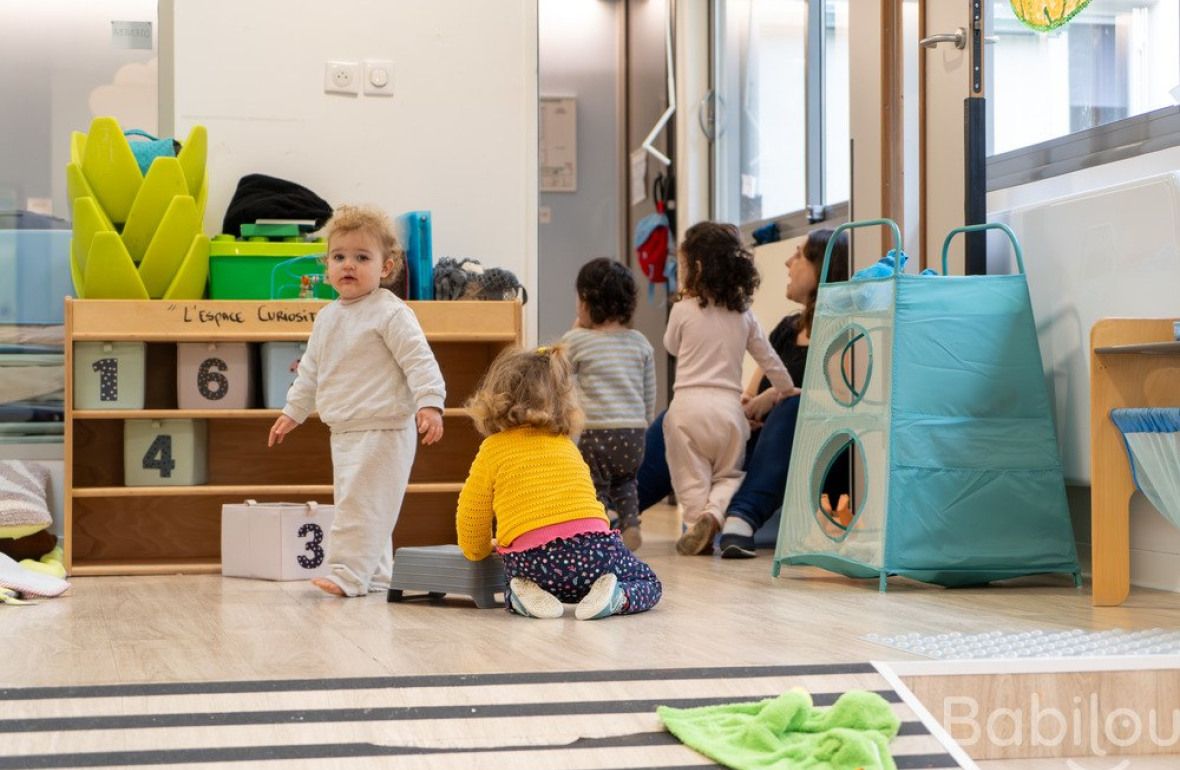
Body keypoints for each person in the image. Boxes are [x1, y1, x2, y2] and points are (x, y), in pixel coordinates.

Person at [638, 228, 850, 558]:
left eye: (798, 255)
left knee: (793, 405)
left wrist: (774, 399)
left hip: (802, 447)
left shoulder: (844, 332)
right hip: (748, 436)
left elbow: (842, 402)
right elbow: (749, 393)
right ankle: (615, 511)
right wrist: (747, 408)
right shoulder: (786, 330)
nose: (788, 262)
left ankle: (741, 519)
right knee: (677, 417)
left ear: (822, 267)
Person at [268, 205, 446, 597]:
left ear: (386, 267)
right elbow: (310, 371)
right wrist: (293, 411)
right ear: (326, 265)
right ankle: (377, 576)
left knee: (360, 507)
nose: (348, 265)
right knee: (364, 504)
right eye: (339, 257)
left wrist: (429, 403)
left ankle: (347, 573)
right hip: (344, 430)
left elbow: (419, 360)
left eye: (362, 257)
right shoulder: (327, 318)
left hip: (384, 428)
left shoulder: (390, 313)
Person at [456, 346, 662, 620]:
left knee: (516, 578)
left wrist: (479, 550)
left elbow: (472, 515)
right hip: (595, 554)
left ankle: (521, 595)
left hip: (531, 562)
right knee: (649, 582)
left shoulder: (493, 448)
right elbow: (587, 504)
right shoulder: (566, 445)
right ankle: (614, 597)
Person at [663, 221, 797, 557]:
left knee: (690, 476)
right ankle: (714, 513)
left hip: (686, 410)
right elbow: (769, 359)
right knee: (729, 475)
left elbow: (671, 346)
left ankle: (696, 521)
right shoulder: (744, 315)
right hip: (728, 412)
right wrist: (785, 389)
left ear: (695, 268)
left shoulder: (682, 310)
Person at [561, 258, 656, 551]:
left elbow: (557, 373)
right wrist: (645, 421)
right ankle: (631, 523)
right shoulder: (640, 342)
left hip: (596, 432)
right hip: (634, 434)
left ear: (585, 302)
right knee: (626, 482)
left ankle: (603, 526)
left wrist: (574, 330)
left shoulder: (577, 340)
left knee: (594, 485)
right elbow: (649, 392)